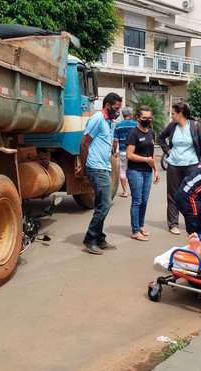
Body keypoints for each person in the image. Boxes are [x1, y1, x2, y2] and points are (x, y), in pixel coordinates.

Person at [157, 102, 201, 235]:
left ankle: (196, 222)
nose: (172, 116)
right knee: (173, 195)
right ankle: (173, 224)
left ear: (181, 114)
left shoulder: (195, 127)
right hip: (174, 166)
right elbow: (160, 138)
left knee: (195, 194)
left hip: (192, 165)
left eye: (173, 114)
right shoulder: (172, 127)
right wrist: (167, 151)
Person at [77, 92, 122, 255]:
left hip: (104, 167)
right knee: (104, 204)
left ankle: (100, 239)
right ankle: (90, 239)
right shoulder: (97, 119)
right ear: (108, 105)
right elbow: (84, 144)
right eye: (116, 108)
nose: (118, 111)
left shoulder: (110, 122)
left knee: (101, 204)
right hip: (96, 167)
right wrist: (83, 167)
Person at [125, 106, 160, 241]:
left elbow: (152, 154)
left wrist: (156, 170)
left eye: (149, 118)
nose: (147, 120)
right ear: (138, 118)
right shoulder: (133, 133)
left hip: (147, 172)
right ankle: (134, 230)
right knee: (137, 200)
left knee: (144, 201)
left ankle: (140, 225)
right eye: (144, 118)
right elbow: (129, 155)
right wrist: (145, 159)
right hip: (135, 171)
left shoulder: (151, 133)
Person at [113, 107, 138, 198]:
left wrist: (115, 151)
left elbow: (115, 140)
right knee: (134, 171)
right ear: (130, 115)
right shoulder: (136, 125)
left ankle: (125, 192)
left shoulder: (118, 125)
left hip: (123, 152)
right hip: (135, 153)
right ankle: (135, 191)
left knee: (122, 171)